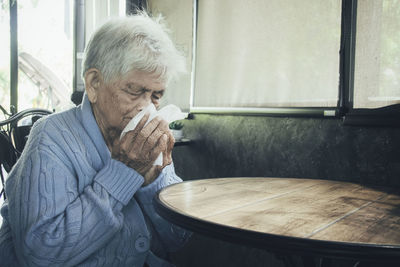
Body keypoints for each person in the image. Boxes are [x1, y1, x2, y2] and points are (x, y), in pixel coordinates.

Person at [0, 12, 191, 267]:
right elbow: (40, 256)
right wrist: (124, 172)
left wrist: (153, 181)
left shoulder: (146, 141)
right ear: (93, 84)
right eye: (135, 91)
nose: (147, 108)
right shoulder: (51, 138)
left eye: (156, 95)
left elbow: (178, 239)